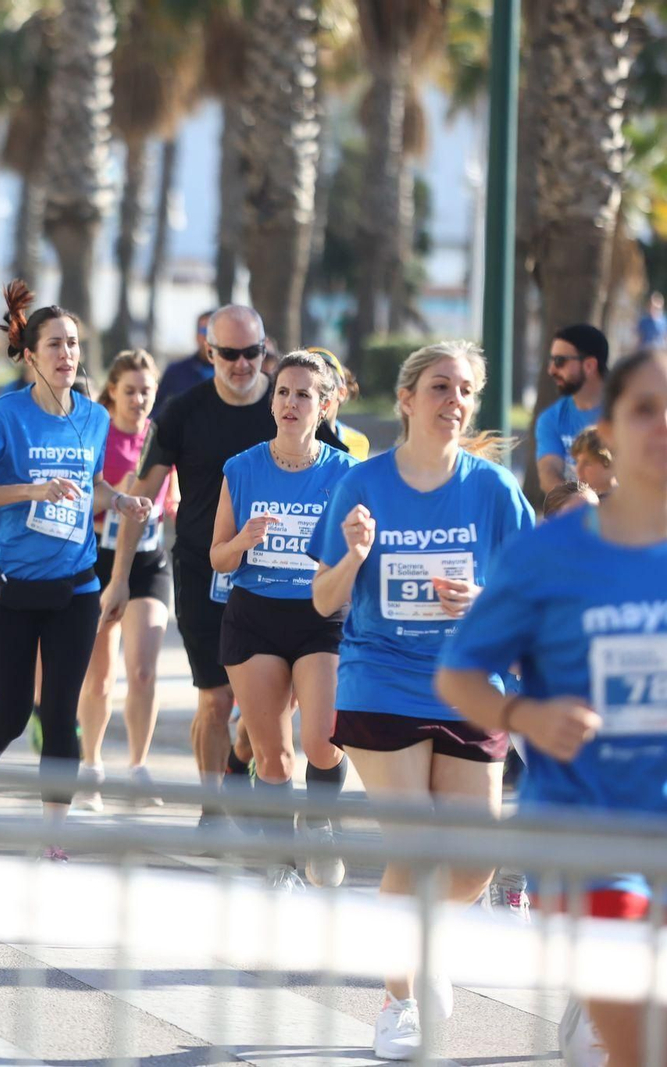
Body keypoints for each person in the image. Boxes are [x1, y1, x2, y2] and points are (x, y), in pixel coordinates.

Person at [438, 348, 667, 1067]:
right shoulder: (548, 554)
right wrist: (527, 718)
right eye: (645, 409)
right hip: (589, 835)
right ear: (609, 429)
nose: (663, 423)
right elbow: (459, 675)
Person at [308, 340, 535, 1059]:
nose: (454, 401)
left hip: (468, 683)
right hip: (380, 677)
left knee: (473, 863)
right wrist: (354, 556)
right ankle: (399, 1001)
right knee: (414, 842)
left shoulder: (493, 489)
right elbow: (323, 600)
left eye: (464, 389)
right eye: (440, 386)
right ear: (406, 399)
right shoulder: (362, 483)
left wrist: (485, 599)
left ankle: (421, 942)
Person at [0, 281, 152, 855]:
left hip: (75, 587)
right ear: (31, 355)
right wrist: (31, 489)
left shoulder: (93, 417)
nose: (67, 354)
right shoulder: (2, 418)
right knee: (11, 715)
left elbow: (89, 485)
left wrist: (119, 499)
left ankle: (53, 841)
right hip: (9, 589)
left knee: (62, 714)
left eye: (73, 343)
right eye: (55, 344)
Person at [128, 305, 343, 827]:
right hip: (211, 578)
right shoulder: (184, 414)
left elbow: (351, 505)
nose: (243, 363)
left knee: (293, 727)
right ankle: (215, 812)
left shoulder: (321, 438)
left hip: (306, 602)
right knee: (217, 702)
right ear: (210, 353)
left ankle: (250, 772)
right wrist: (117, 577)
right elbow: (143, 495)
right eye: (230, 353)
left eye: (252, 352)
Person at [210, 352, 358, 889]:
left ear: (324, 406)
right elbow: (217, 558)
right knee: (273, 759)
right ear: (272, 403)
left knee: (323, 742)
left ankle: (319, 823)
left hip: (321, 616)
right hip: (256, 615)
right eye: (283, 393)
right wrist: (242, 541)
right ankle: (280, 869)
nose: (291, 403)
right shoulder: (242, 468)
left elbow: (359, 553)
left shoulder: (345, 473)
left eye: (303, 395)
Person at [77, 351, 172, 811]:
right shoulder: (98, 432)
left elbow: (172, 491)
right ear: (112, 391)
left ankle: (138, 767)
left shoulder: (160, 435)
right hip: (99, 556)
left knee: (143, 670)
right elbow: (84, 491)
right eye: (130, 391)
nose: (138, 400)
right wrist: (121, 495)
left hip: (148, 561)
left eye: (146, 391)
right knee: (99, 679)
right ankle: (90, 766)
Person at [536, 323, 608, 494]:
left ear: (589, 365)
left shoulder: (628, 413)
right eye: (551, 360)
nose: (551, 370)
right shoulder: (551, 419)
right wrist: (579, 502)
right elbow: (548, 473)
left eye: (559, 361)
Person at [308, 347, 371, 461]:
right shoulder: (279, 440)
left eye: (325, 388)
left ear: (342, 393)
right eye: (304, 391)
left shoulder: (358, 444)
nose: (316, 397)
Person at [150, 309, 215, 420]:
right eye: (204, 331)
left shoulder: (235, 372)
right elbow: (156, 409)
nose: (209, 337)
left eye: (214, 332)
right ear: (196, 335)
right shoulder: (176, 372)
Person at [570, 427, 615, 497]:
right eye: (577, 461)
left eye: (588, 463)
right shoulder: (577, 501)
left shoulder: (629, 499)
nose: (579, 470)